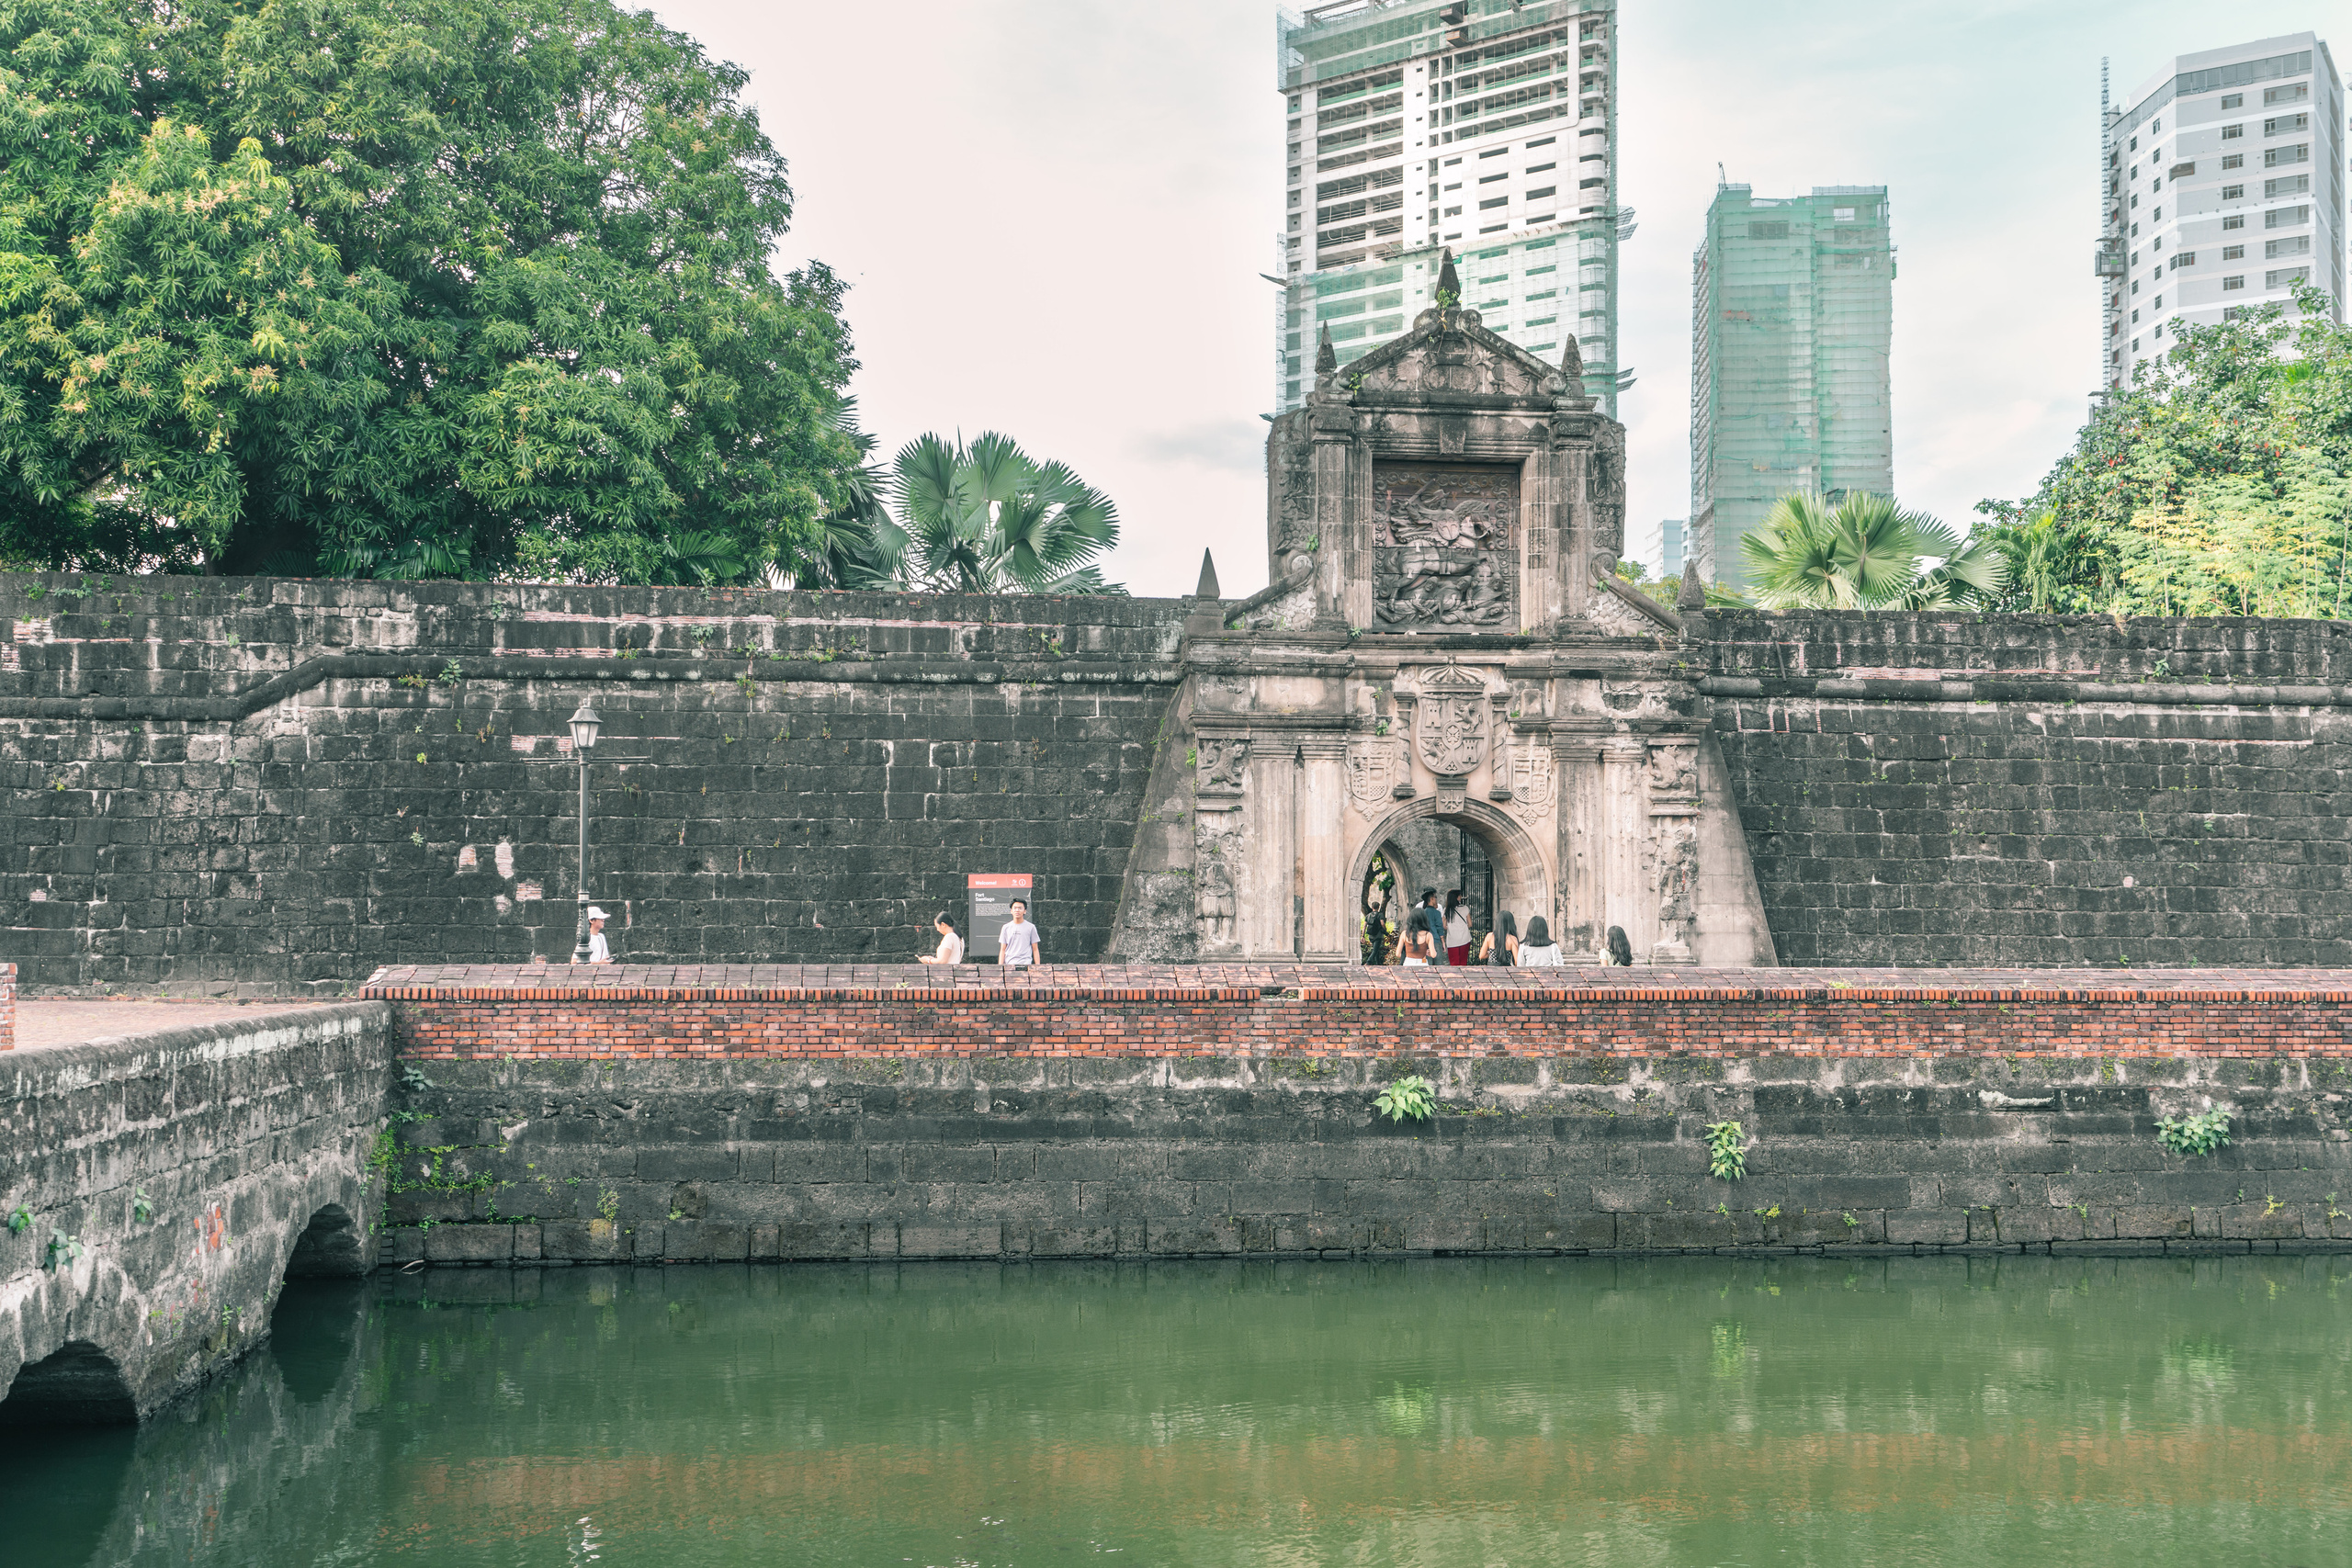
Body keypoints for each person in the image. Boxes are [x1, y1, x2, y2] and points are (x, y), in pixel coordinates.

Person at [998, 899, 1041, 968]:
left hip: (1026, 964)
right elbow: (1003, 949)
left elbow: (1035, 949)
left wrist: (1038, 966)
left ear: (1025, 911)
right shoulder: (1006, 927)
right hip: (1009, 964)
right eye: (1015, 908)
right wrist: (1000, 967)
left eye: (1020, 908)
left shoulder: (1031, 927)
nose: (1017, 910)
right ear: (1011, 911)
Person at [1413, 889, 1446, 960]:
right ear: (1431, 899)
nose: (1436, 899)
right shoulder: (1437, 913)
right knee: (1438, 964)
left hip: (1424, 942)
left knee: (1427, 963)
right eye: (1435, 897)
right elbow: (1439, 928)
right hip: (1435, 941)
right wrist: (1443, 942)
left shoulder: (1422, 913)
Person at [1443, 890, 1472, 966]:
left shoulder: (1446, 910)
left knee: (1454, 963)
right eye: (1459, 895)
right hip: (1465, 938)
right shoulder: (1465, 908)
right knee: (1463, 962)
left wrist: (1451, 928)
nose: (1461, 897)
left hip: (1452, 940)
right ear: (1457, 897)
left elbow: (1444, 926)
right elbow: (1470, 924)